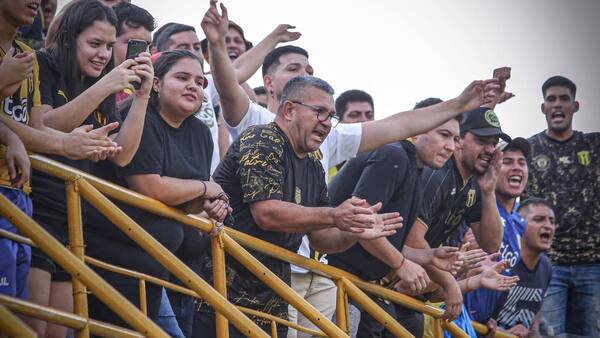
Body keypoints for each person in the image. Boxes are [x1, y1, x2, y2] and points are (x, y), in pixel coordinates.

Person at [203, 0, 497, 328]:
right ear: (287, 108)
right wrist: (217, 43)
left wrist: (354, 230)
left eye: (332, 115)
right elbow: (267, 213)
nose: (328, 123)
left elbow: (321, 239)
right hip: (222, 282)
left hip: (279, 282)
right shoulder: (261, 134)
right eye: (320, 113)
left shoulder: (315, 158)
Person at [25, 1, 153, 336]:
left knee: (61, 330)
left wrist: (141, 98)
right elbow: (43, 124)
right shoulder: (45, 64)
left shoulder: (101, 82)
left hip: (74, 218)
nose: (103, 54)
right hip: (37, 211)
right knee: (30, 327)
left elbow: (122, 155)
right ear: (69, 38)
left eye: (109, 46)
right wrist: (106, 85)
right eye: (94, 44)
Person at [85, 49, 228, 331]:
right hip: (113, 257)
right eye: (182, 77)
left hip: (157, 265)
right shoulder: (139, 117)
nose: (193, 86)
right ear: (157, 83)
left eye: (200, 82)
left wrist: (206, 205)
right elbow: (149, 187)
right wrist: (204, 187)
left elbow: (187, 202)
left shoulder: (200, 133)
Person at [327, 114, 463, 337]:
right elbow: (360, 225)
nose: (450, 147)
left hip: (360, 287)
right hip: (334, 281)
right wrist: (400, 264)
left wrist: (426, 256)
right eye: (444, 135)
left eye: (456, 139)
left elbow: (378, 234)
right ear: (417, 131)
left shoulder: (416, 168)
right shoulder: (393, 154)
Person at [524, 75, 600, 337]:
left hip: (592, 264)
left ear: (575, 106)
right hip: (548, 265)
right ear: (543, 107)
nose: (557, 104)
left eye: (564, 99)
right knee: (549, 334)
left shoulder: (593, 146)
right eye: (551, 99)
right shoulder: (529, 150)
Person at [465, 137, 532, 322]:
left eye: (522, 162)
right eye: (507, 161)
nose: (516, 167)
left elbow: (508, 280)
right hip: (456, 318)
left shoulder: (521, 223)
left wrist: (497, 319)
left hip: (486, 326)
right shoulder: (474, 208)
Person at [482, 198, 555, 338]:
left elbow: (535, 314)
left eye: (552, 221)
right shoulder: (502, 262)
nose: (548, 226)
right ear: (518, 224)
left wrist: (534, 332)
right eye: (539, 219)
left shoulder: (546, 265)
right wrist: (505, 334)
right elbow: (478, 319)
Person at [111, 2, 155, 105]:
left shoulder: (145, 88)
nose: (143, 53)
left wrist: (142, 95)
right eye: (134, 44)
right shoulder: (81, 83)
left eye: (146, 45)